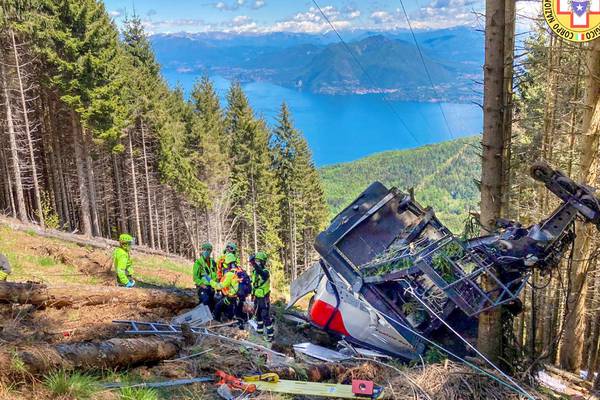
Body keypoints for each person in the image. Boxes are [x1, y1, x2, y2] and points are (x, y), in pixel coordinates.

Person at [251, 251, 274, 341]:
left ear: (263, 262)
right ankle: (259, 331)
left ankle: (270, 335)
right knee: (258, 315)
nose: (257, 262)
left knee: (265, 316)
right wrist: (253, 295)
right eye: (256, 260)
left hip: (264, 298)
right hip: (257, 297)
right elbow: (255, 284)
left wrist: (253, 263)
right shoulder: (254, 272)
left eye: (258, 261)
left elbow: (260, 272)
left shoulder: (265, 272)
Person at [211, 253, 239, 322]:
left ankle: (217, 322)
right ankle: (230, 321)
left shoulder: (230, 274)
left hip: (230, 297)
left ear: (228, 263)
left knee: (218, 306)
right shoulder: (237, 271)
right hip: (234, 296)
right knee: (229, 309)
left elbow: (220, 286)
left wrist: (211, 282)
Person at [193, 243, 217, 310]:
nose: (207, 251)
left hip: (212, 287)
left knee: (211, 304)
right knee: (205, 301)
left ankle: (211, 319)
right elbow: (195, 277)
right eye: (205, 249)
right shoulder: (198, 262)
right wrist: (201, 284)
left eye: (209, 250)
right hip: (203, 287)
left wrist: (215, 285)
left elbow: (216, 274)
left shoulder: (213, 262)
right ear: (202, 250)